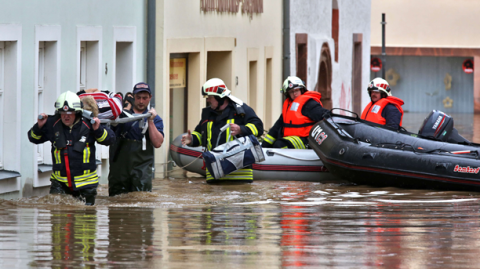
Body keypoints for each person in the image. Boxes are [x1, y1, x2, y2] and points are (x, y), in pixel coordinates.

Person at [27, 91, 115, 205]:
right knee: (58, 217)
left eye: (70, 112)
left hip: (86, 185)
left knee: (84, 220)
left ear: (77, 112)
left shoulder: (89, 124)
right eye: (63, 112)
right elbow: (33, 138)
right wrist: (39, 126)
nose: (66, 116)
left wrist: (98, 130)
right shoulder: (53, 124)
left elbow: (110, 139)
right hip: (60, 183)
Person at [181, 78, 264, 183]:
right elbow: (202, 135)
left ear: (220, 97)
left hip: (239, 177)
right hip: (215, 174)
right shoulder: (207, 114)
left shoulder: (240, 110)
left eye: (210, 97)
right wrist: (192, 139)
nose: (207, 100)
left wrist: (241, 129)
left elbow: (259, 127)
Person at [108, 82, 164, 196]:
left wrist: (151, 121)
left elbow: (158, 143)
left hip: (141, 171)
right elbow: (107, 137)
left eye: (145, 98)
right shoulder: (121, 115)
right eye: (138, 98)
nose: (141, 101)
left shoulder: (155, 118)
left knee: (142, 201)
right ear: (133, 97)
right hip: (119, 170)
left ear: (150, 98)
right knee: (116, 203)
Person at [262, 76, 328, 149]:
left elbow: (325, 115)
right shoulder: (288, 107)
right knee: (277, 143)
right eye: (291, 92)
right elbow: (276, 127)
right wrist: (265, 145)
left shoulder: (308, 104)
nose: (294, 94)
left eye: (296, 90)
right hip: (293, 139)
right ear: (288, 94)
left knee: (280, 144)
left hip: (308, 140)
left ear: (302, 90)